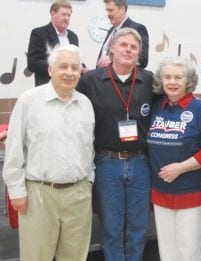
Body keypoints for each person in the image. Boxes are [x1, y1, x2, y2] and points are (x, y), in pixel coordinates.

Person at [3, 44, 95, 261]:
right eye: (63, 66)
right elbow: (14, 146)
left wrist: (88, 181)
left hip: (78, 194)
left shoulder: (85, 104)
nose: (69, 72)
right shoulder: (29, 100)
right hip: (39, 194)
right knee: (37, 256)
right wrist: (16, 190)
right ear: (50, 70)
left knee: (75, 257)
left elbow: (88, 148)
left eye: (75, 67)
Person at [77, 28, 153, 261]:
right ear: (111, 48)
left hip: (140, 163)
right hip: (106, 163)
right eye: (123, 45)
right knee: (111, 228)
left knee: (138, 228)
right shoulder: (90, 80)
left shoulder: (149, 80)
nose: (128, 50)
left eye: (133, 47)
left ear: (139, 52)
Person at [147, 56, 201, 261]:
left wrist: (180, 168)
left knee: (188, 253)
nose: (172, 82)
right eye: (167, 77)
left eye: (178, 77)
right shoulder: (156, 106)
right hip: (161, 193)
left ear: (188, 81)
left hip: (192, 194)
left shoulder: (200, 109)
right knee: (167, 253)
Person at [27, 0, 81, 86]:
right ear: (53, 14)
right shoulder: (39, 33)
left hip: (69, 88)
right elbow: (33, 63)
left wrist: (83, 67)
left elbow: (74, 60)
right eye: (63, 14)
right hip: (47, 87)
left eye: (69, 15)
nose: (67, 18)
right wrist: (59, 66)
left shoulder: (73, 36)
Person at [96, 0, 149, 69]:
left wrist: (113, 60)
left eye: (111, 10)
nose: (108, 14)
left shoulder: (137, 29)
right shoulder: (111, 30)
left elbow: (143, 60)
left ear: (122, 9)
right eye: (107, 11)